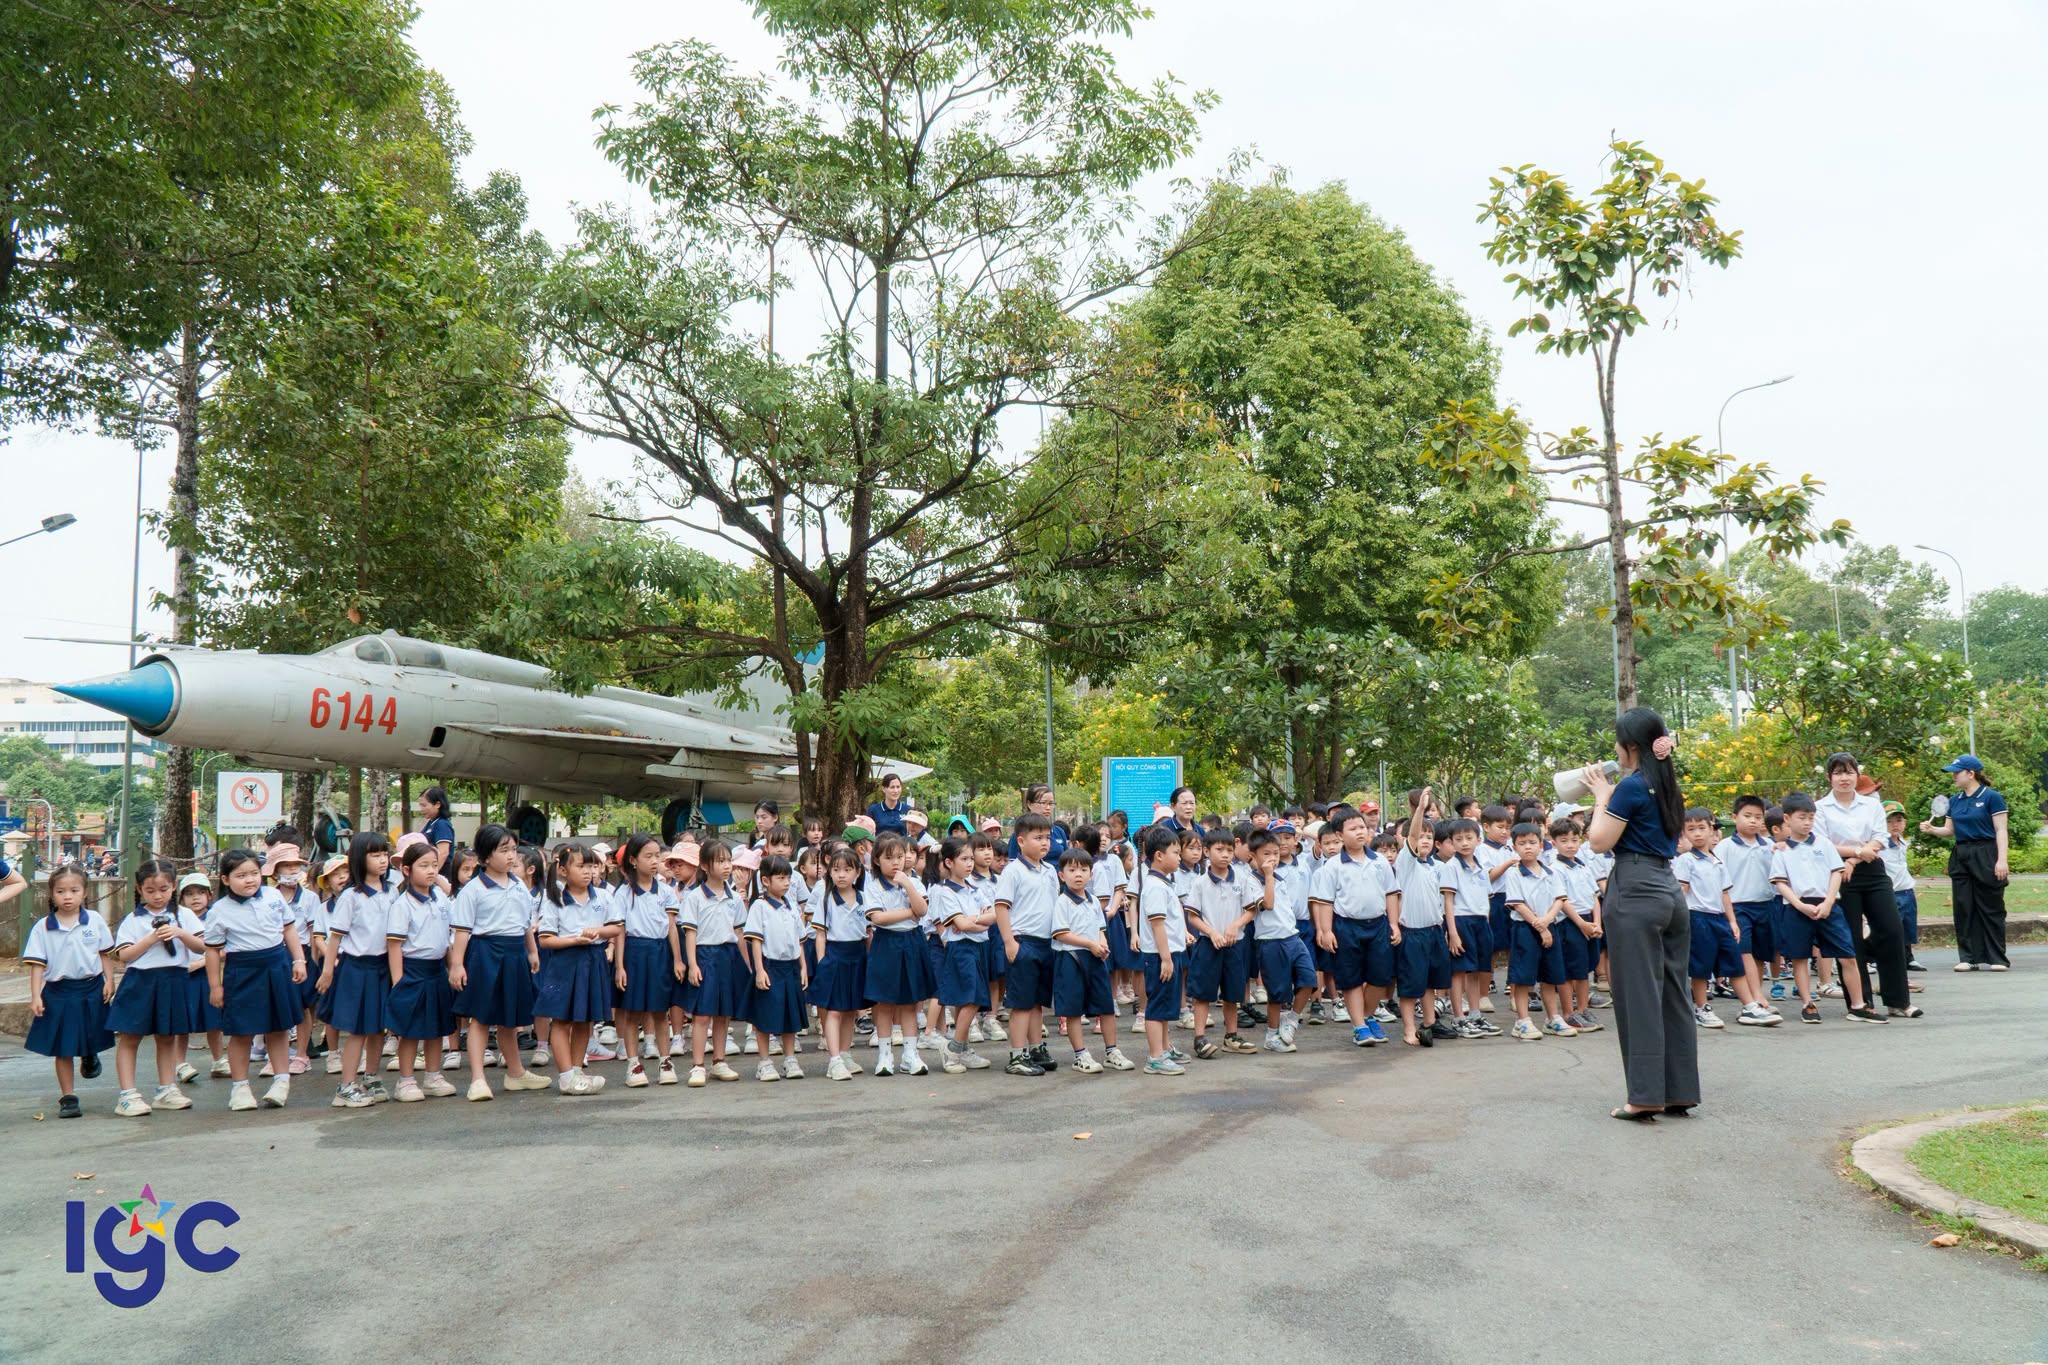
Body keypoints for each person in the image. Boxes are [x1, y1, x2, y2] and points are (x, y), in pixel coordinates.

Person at [1581, 707, 1698, 1122]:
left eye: (1618, 741)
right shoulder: (1667, 785)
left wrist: (1600, 798)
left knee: (1637, 994)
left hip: (1634, 887)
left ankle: (1645, 1095)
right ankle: (1679, 1090)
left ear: (1631, 746)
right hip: (1669, 889)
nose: (1614, 748)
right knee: (1673, 991)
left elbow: (1598, 842)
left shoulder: (1631, 787)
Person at [448, 825, 549, 1102]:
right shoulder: (473, 890)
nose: (511, 856)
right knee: (481, 1018)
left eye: (513, 850)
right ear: (484, 857)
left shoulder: (518, 885)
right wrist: (457, 965)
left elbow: (525, 924)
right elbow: (462, 931)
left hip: (515, 953)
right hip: (485, 953)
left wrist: (531, 952)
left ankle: (516, 1073)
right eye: (503, 850)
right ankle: (478, 1079)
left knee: (510, 1017)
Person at [203, 848, 308, 1112]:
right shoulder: (219, 910)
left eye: (253, 873)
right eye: (241, 875)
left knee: (278, 1026)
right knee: (242, 1031)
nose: (249, 880)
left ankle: (281, 1082)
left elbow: (289, 929)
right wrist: (216, 985)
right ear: (226, 880)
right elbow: (212, 950)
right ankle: (240, 1087)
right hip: (242, 971)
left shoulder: (273, 896)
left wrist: (299, 960)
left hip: (277, 965)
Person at [1771, 792, 1884, 1024]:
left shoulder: (1824, 844)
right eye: (1802, 817)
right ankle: (1807, 1003)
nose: (1807, 823)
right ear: (1787, 819)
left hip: (1828, 905)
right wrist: (1800, 905)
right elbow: (1781, 883)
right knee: (1800, 957)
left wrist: (1829, 901)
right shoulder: (1782, 850)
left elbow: (1836, 872)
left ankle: (1858, 1005)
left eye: (1811, 818)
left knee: (1847, 954)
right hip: (1797, 908)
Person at [1815, 753, 1914, 1017]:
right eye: (1838, 773)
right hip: (1839, 874)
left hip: (1871, 869)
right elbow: (1823, 844)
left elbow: (1881, 837)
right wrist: (1856, 853)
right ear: (1829, 777)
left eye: (1849, 772)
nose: (1844, 778)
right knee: (1851, 940)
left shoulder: (1870, 805)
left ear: (1856, 775)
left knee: (1891, 930)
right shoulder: (1821, 808)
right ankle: (1861, 1003)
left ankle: (1898, 1001)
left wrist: (1856, 858)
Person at [108, 859, 205, 1115]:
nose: (158, 896)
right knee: (130, 1037)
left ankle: (166, 1089)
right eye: (150, 891)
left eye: (163, 889)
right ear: (140, 889)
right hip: (140, 982)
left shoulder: (184, 916)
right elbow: (125, 956)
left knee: (167, 1037)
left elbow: (201, 947)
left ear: (173, 887)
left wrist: (180, 934)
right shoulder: (133, 919)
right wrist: (152, 938)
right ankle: (127, 1095)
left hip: (173, 981)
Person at [24, 863, 116, 1119]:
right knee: (62, 1047)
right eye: (61, 891)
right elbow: (36, 966)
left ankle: (89, 1054)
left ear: (84, 892)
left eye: (74, 890)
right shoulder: (43, 927)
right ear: (51, 894)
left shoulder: (94, 920)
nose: (68, 896)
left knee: (91, 1033)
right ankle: (68, 1097)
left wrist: (110, 980)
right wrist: (35, 995)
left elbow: (105, 954)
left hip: (91, 988)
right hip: (58, 992)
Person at [1676, 810, 1779, 1029]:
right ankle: (1701, 1007)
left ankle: (1750, 1006)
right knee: (1701, 966)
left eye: (1702, 828)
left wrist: (1732, 921)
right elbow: (1681, 890)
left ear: (1712, 829)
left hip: (1720, 918)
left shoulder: (1718, 861)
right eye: (1690, 830)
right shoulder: (1685, 861)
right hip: (1697, 918)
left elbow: (1725, 894)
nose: (1697, 834)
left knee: (1734, 962)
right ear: (1683, 834)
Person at [534, 842, 620, 1096]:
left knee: (585, 1019)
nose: (588, 871)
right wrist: (575, 940)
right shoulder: (554, 899)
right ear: (562, 870)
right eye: (581, 866)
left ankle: (576, 1070)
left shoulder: (603, 896)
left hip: (593, 960)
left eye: (592, 866)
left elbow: (616, 927)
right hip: (565, 961)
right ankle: (565, 1076)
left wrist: (599, 932)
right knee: (561, 1020)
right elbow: (545, 939)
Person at [1310, 808, 1399, 1049]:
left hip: (1378, 925)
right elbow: (1325, 902)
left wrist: (1393, 924)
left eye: (1362, 827)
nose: (1360, 832)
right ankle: (1359, 1026)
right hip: (1346, 927)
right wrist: (1326, 931)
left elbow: (1391, 894)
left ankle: (1368, 1016)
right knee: (1351, 979)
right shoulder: (1333, 866)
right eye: (1353, 829)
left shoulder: (1379, 861)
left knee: (1380, 977)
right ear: (1340, 835)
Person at [319, 832, 396, 1108]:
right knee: (357, 1029)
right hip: (356, 968)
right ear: (359, 860)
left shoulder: (392, 891)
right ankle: (346, 1085)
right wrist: (328, 972)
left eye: (384, 854)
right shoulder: (351, 896)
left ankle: (371, 1077)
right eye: (374, 855)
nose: (382, 860)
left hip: (383, 967)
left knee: (378, 1028)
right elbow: (335, 938)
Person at [383, 841, 461, 1100]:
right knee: (411, 1029)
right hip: (413, 971)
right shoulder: (402, 905)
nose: (430, 871)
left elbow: (445, 939)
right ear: (406, 870)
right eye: (423, 865)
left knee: (437, 1026)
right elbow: (394, 945)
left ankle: (432, 1076)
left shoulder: (440, 900)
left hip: (437, 969)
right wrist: (399, 982)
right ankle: (405, 1081)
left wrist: (452, 967)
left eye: (435, 865)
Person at [1920, 754, 2011, 971]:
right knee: (1963, 907)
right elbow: (1950, 830)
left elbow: (2001, 830)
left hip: (1986, 852)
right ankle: (1968, 958)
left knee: (1991, 906)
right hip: (1961, 854)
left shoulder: (1992, 797)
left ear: (1971, 773)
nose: (1953, 776)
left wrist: (2002, 860)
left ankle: (1997, 958)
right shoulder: (1954, 801)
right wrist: (1933, 830)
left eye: (1957, 772)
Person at [1050, 846, 1133, 1073]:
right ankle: (1080, 1055)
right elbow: (1060, 933)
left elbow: (1100, 927)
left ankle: (1111, 1051)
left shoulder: (1094, 900)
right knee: (1074, 1009)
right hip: (1071, 958)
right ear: (1062, 875)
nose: (1078, 874)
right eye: (1072, 870)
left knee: (1106, 1006)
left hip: (1096, 957)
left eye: (1083, 870)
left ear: (1091, 874)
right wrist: (1090, 944)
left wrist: (1102, 942)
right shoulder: (1062, 902)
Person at [991, 811, 1062, 1076]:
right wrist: (1009, 941)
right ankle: (1016, 1055)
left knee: (1036, 1002)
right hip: (1023, 941)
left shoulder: (1050, 870)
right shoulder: (1013, 871)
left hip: (1046, 943)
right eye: (1038, 838)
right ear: (1021, 841)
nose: (1045, 843)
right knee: (1021, 1002)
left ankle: (1035, 1048)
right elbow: (1001, 906)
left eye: (1047, 838)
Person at [1182, 825, 1260, 1059]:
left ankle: (1231, 1036)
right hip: (1208, 944)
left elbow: (1250, 910)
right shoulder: (1200, 883)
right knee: (1203, 993)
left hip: (1234, 944)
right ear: (1207, 851)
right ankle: (1199, 1038)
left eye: (1228, 849)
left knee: (1232, 992)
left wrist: (1236, 925)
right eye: (1219, 849)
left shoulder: (1242, 879)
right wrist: (1212, 932)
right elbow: (1192, 915)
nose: (1225, 854)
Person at [614, 834, 684, 1086]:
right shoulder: (623, 894)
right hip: (634, 952)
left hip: (659, 952)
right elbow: (620, 931)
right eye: (649, 856)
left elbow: (672, 928)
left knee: (659, 1010)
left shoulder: (665, 891)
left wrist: (677, 960)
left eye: (657, 855)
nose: (655, 861)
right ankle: (634, 1064)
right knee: (633, 1011)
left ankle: (666, 1061)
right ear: (633, 860)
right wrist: (620, 966)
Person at [861, 832, 933, 1077]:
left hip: (912, 942)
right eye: (889, 857)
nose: (896, 862)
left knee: (910, 1002)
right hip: (886, 944)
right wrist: (908, 913)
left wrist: (908, 885)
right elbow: (878, 918)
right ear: (877, 861)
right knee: (884, 1002)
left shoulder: (915, 882)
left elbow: (922, 909)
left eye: (900, 856)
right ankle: (884, 1054)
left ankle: (910, 1054)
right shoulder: (872, 887)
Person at [680, 841, 750, 1086]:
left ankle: (719, 1061)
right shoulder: (694, 897)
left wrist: (748, 964)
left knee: (724, 1013)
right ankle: (697, 1065)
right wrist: (692, 964)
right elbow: (690, 933)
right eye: (721, 861)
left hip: (729, 956)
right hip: (705, 956)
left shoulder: (733, 897)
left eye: (729, 860)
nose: (727, 866)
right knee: (702, 1014)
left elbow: (740, 933)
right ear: (705, 866)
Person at [1500, 822, 1574, 1041]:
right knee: (1523, 978)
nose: (1528, 847)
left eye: (1532, 842)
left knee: (1550, 977)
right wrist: (1540, 926)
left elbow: (1560, 899)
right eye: (1522, 844)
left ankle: (1553, 1018)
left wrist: (1548, 921)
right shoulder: (1514, 874)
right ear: (1514, 847)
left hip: (1549, 926)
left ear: (1541, 845)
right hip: (1525, 928)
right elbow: (1518, 904)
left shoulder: (1551, 872)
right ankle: (1522, 1021)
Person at [931, 837, 995, 1073]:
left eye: (971, 858)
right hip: (961, 948)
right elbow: (960, 925)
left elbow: (992, 916)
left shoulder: (974, 889)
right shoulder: (945, 891)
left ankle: (963, 1049)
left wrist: (974, 920)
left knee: (966, 999)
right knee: (971, 998)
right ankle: (953, 1047)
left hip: (978, 947)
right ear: (949, 862)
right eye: (964, 859)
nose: (970, 863)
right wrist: (974, 922)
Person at [744, 855, 808, 1080]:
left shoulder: (790, 907)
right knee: (765, 1017)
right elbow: (756, 941)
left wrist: (803, 967)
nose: (786, 883)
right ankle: (765, 1062)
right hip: (770, 966)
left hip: (791, 967)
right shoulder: (759, 906)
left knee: (790, 1016)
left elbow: (799, 939)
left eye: (788, 878)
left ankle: (790, 1059)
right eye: (781, 878)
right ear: (765, 880)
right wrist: (759, 970)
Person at [810, 845, 870, 1081]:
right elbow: (821, 935)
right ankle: (834, 1060)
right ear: (829, 873)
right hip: (835, 956)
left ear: (857, 872)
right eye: (836, 870)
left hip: (857, 956)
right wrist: (823, 962)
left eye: (847, 869)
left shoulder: (865, 898)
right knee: (834, 1010)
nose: (841, 874)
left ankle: (845, 1054)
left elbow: (868, 933)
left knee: (849, 1010)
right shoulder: (826, 899)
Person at [1135, 827, 1190, 1075]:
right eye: (1175, 852)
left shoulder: (1163, 883)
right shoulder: (1155, 886)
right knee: (1157, 1006)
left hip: (1170, 953)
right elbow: (1157, 924)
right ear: (1159, 855)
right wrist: (1166, 958)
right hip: (1159, 956)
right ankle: (1155, 1057)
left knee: (1166, 1005)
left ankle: (1164, 1049)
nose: (1179, 857)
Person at [1879, 802, 1924, 971]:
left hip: (1907, 890)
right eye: (1889, 821)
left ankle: (1908, 957)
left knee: (1907, 926)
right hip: (1891, 892)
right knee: (1892, 927)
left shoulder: (1903, 844)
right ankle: (1887, 958)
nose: (1894, 825)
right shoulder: (1880, 846)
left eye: (1898, 820)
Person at [418, 786, 456, 868]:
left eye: (424, 805)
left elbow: (443, 853)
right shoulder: (432, 823)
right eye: (420, 806)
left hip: (440, 870)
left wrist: (434, 872)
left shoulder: (442, 824)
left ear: (437, 804)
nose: (421, 809)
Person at [866, 773, 912, 838]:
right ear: (883, 789)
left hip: (902, 847)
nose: (896, 791)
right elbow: (868, 834)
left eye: (898, 787)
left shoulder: (908, 810)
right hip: (880, 847)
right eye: (892, 787)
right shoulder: (873, 810)